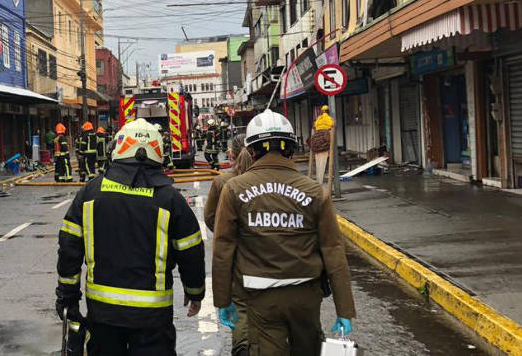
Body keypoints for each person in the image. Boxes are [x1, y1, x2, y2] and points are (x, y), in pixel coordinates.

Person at [56, 118, 206, 355]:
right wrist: (195, 292)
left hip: (103, 317)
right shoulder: (170, 199)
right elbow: (191, 251)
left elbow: (69, 250)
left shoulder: (90, 193)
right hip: (153, 322)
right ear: (158, 151)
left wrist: (67, 299)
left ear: (119, 147)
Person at [212, 109, 356, 355]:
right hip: (306, 297)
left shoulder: (235, 189)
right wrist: (345, 310)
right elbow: (332, 250)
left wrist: (222, 300)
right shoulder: (314, 191)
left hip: (260, 298)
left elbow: (223, 248)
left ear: (252, 150)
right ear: (290, 148)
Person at [204, 133, 253, 356]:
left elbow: (210, 218)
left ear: (231, 153)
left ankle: (242, 348)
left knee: (240, 307)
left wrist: (228, 232)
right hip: (267, 256)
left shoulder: (223, 182)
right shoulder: (267, 180)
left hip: (237, 260)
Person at [311, 104, 335, 184]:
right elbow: (332, 125)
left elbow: (314, 126)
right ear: (328, 111)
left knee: (319, 167)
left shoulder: (318, 119)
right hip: (325, 142)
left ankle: (319, 182)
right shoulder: (330, 119)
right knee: (325, 163)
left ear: (322, 111)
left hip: (316, 143)